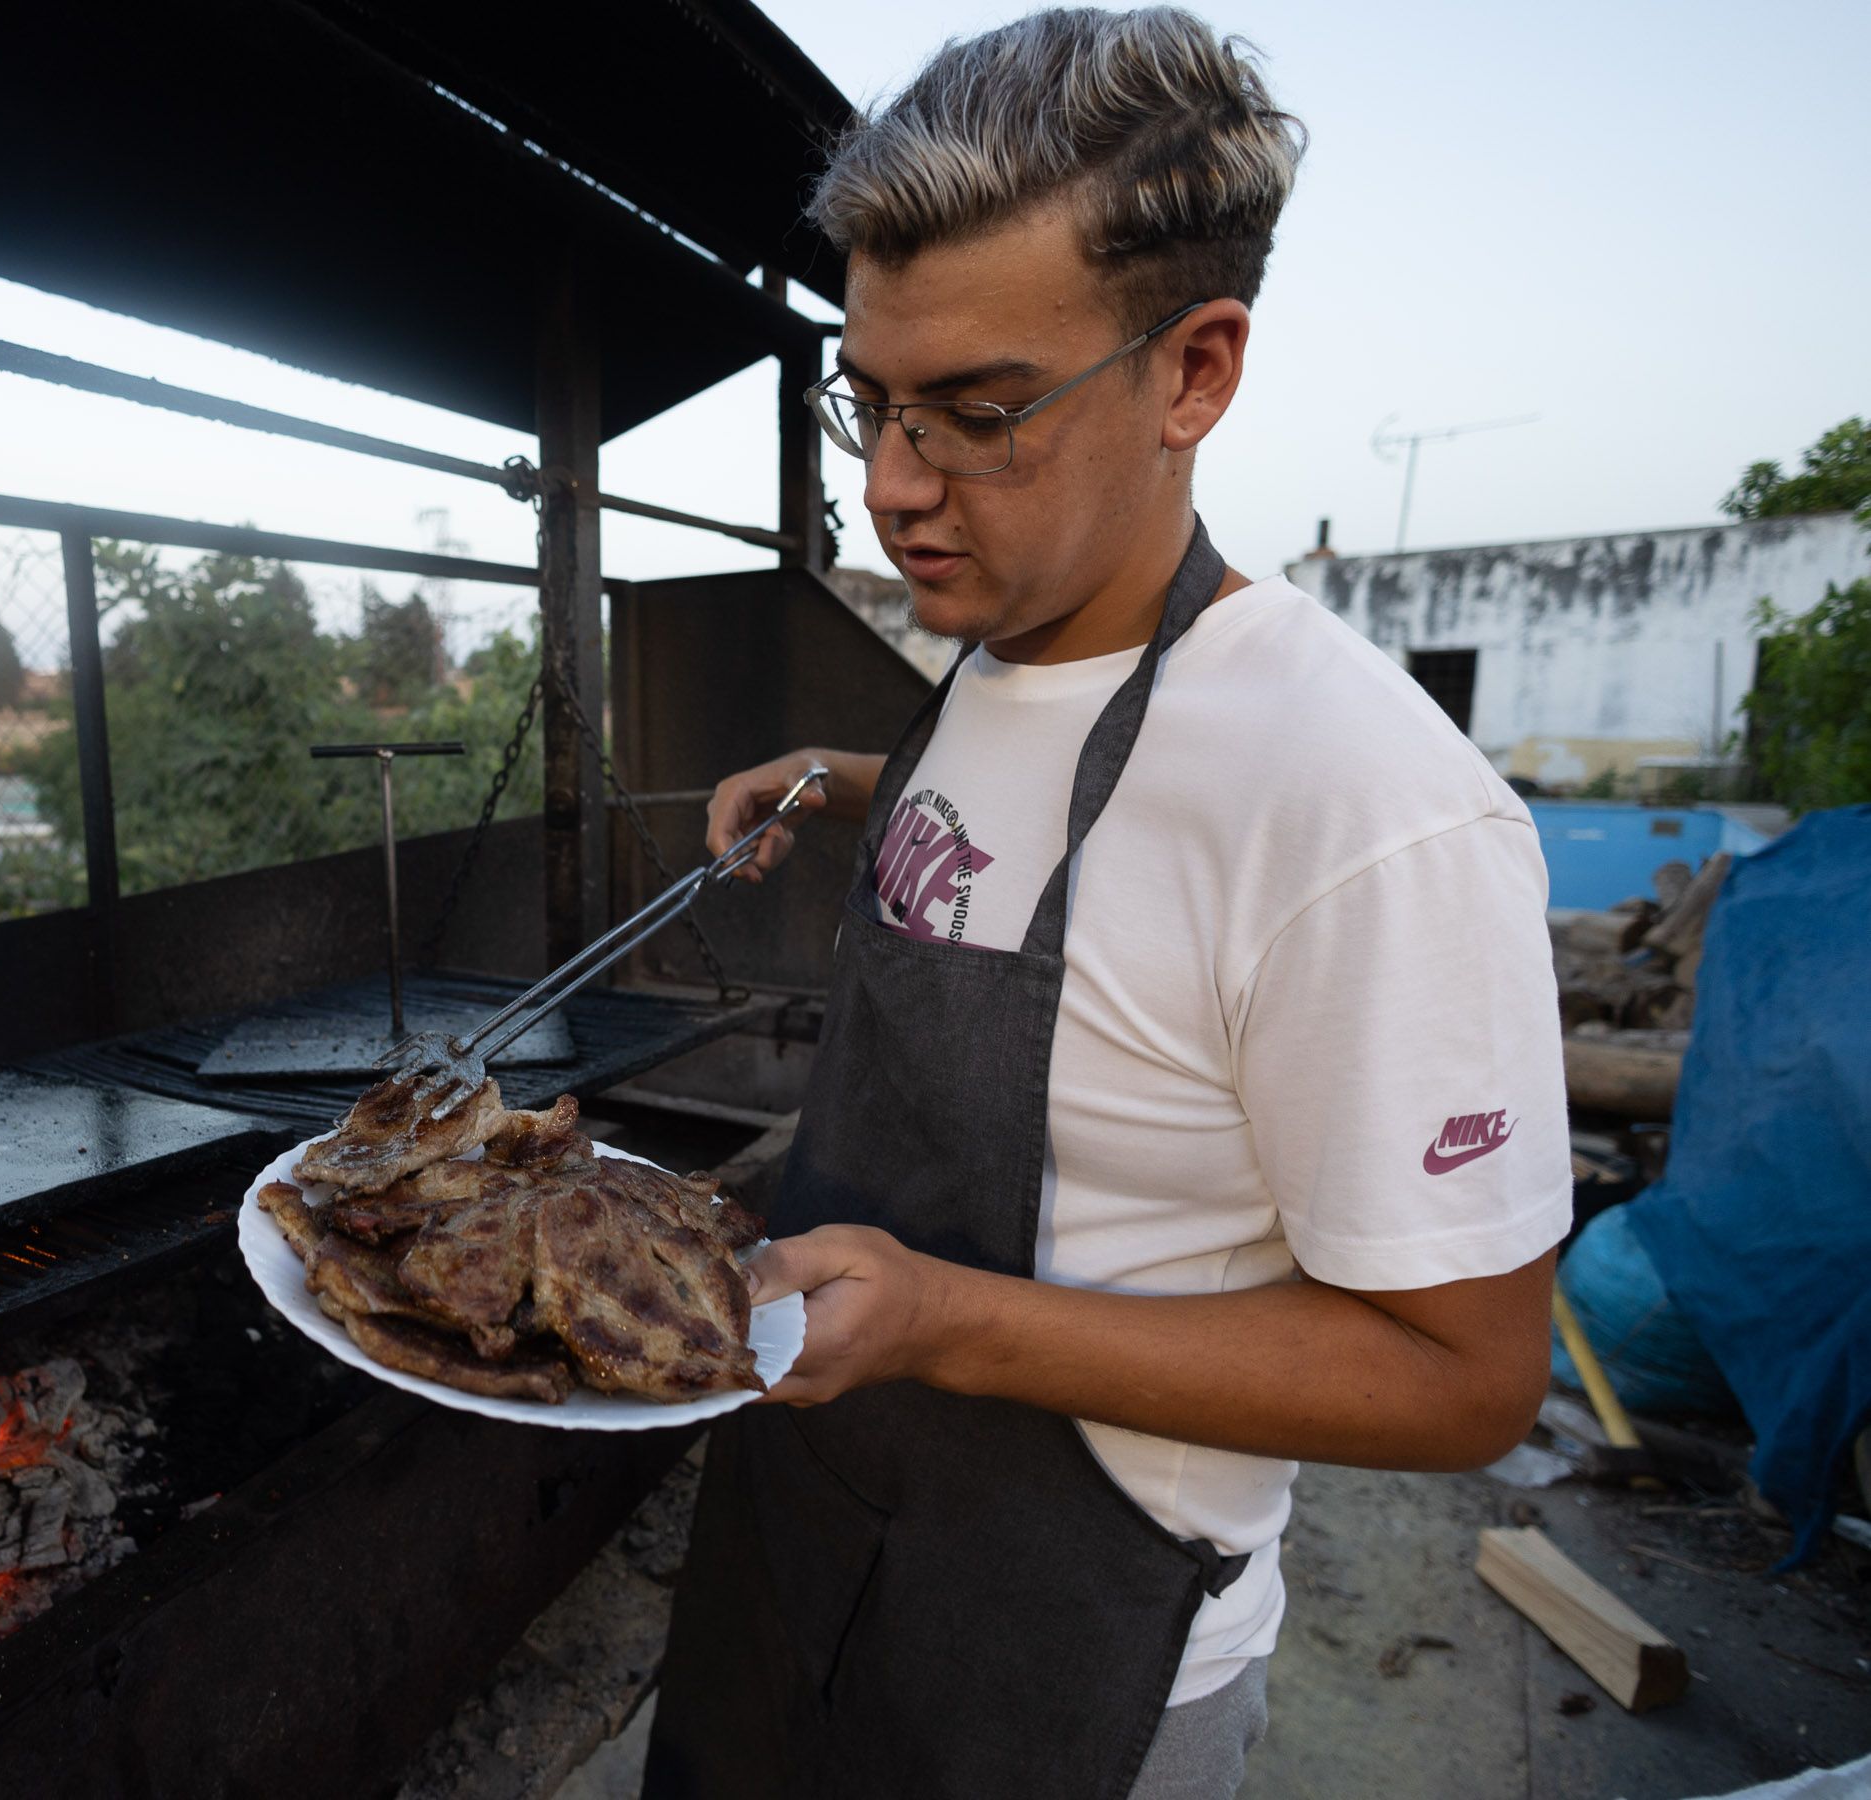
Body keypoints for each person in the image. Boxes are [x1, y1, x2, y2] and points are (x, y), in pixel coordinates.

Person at [642, 11, 1570, 1798]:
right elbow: (1062, 838)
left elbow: (1467, 1378)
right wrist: (850, 782)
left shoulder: (1365, 810)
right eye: (871, 399)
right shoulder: (1007, 634)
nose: (896, 484)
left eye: (979, 414)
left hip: (1069, 1654)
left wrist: (948, 1320)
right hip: (812, 1528)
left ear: (1195, 372)